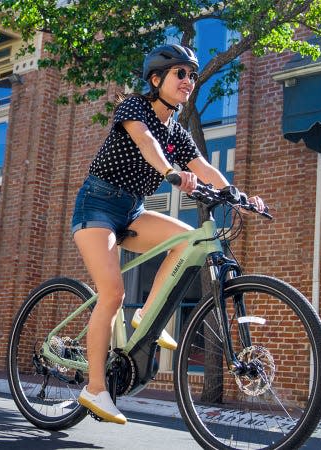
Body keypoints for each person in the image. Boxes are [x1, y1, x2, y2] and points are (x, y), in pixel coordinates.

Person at [71, 44, 265, 424]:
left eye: (192, 75)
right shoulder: (134, 108)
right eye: (181, 74)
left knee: (187, 241)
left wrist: (237, 197)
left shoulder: (178, 130)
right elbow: (146, 142)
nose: (188, 81)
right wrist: (169, 173)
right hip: (96, 205)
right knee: (112, 293)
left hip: (132, 210)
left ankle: (146, 316)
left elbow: (204, 166)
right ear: (157, 79)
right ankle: (95, 387)